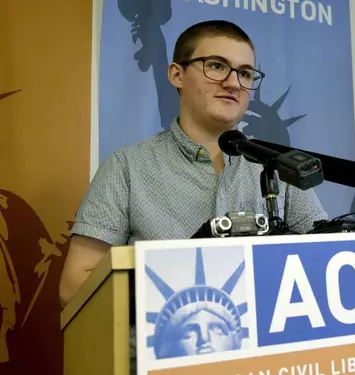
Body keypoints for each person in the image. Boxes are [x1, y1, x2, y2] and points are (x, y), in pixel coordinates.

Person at [59, 20, 327, 372]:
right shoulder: (127, 167)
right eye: (217, 66)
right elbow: (75, 285)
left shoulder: (278, 168)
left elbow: (323, 257)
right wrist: (184, 285)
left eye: (246, 73)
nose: (234, 83)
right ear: (176, 75)